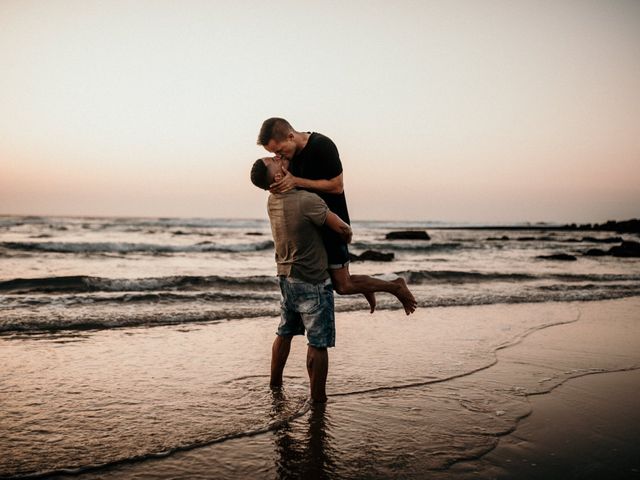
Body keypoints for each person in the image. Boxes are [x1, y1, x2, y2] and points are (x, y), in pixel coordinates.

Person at [257, 117, 417, 315]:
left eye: (279, 151)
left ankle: (395, 286)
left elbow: (337, 186)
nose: (279, 156)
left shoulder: (322, 146)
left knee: (342, 286)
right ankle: (367, 286)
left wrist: (297, 181)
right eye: (274, 154)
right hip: (312, 228)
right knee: (328, 281)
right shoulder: (290, 156)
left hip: (333, 223)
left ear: (291, 136)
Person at [251, 156, 352, 403]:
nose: (277, 158)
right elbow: (342, 229)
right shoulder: (307, 201)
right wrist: (346, 238)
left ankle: (275, 385)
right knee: (318, 343)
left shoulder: (271, 201)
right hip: (313, 280)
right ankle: (318, 399)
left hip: (286, 278)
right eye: (273, 161)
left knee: (284, 332)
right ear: (277, 177)